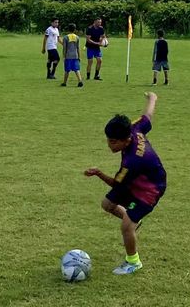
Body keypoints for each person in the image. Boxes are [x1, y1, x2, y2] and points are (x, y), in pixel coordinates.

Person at [84, 92, 166, 275]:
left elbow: (116, 184)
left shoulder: (132, 161)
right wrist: (152, 99)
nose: (109, 145)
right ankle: (135, 221)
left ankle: (133, 262)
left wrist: (98, 173)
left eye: (113, 142)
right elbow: (147, 116)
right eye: (108, 140)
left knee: (126, 226)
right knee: (107, 204)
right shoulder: (133, 128)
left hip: (151, 188)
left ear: (126, 140)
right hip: (137, 179)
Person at [62, 24, 84, 88]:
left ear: (68, 29)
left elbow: (64, 48)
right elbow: (78, 48)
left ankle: (64, 83)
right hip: (75, 55)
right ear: (75, 30)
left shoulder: (65, 37)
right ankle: (80, 81)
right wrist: (79, 56)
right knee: (76, 69)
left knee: (67, 70)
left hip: (68, 56)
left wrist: (64, 56)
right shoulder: (77, 37)